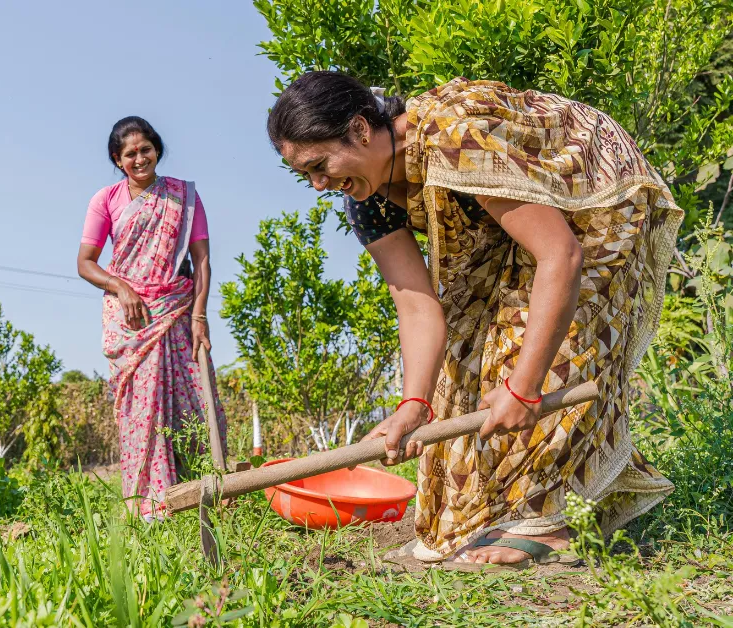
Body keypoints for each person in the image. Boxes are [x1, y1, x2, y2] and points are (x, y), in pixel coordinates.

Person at [267, 74, 679, 567]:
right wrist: (414, 405)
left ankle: (545, 523)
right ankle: (491, 520)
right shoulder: (368, 200)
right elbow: (419, 306)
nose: (318, 185)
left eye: (320, 165)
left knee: (544, 342)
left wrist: (525, 388)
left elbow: (560, 255)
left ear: (359, 130)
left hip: (593, 191)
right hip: (506, 222)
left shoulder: (452, 137)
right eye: (304, 175)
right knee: (459, 369)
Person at [76, 116, 226, 519]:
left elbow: (203, 261)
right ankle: (150, 505)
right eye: (130, 154)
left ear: (157, 149)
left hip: (179, 310)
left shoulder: (183, 196)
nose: (140, 158)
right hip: (133, 321)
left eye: (146, 149)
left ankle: (208, 493)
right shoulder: (105, 200)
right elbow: (85, 264)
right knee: (142, 413)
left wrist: (199, 316)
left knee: (194, 400)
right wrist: (121, 287)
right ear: (117, 159)